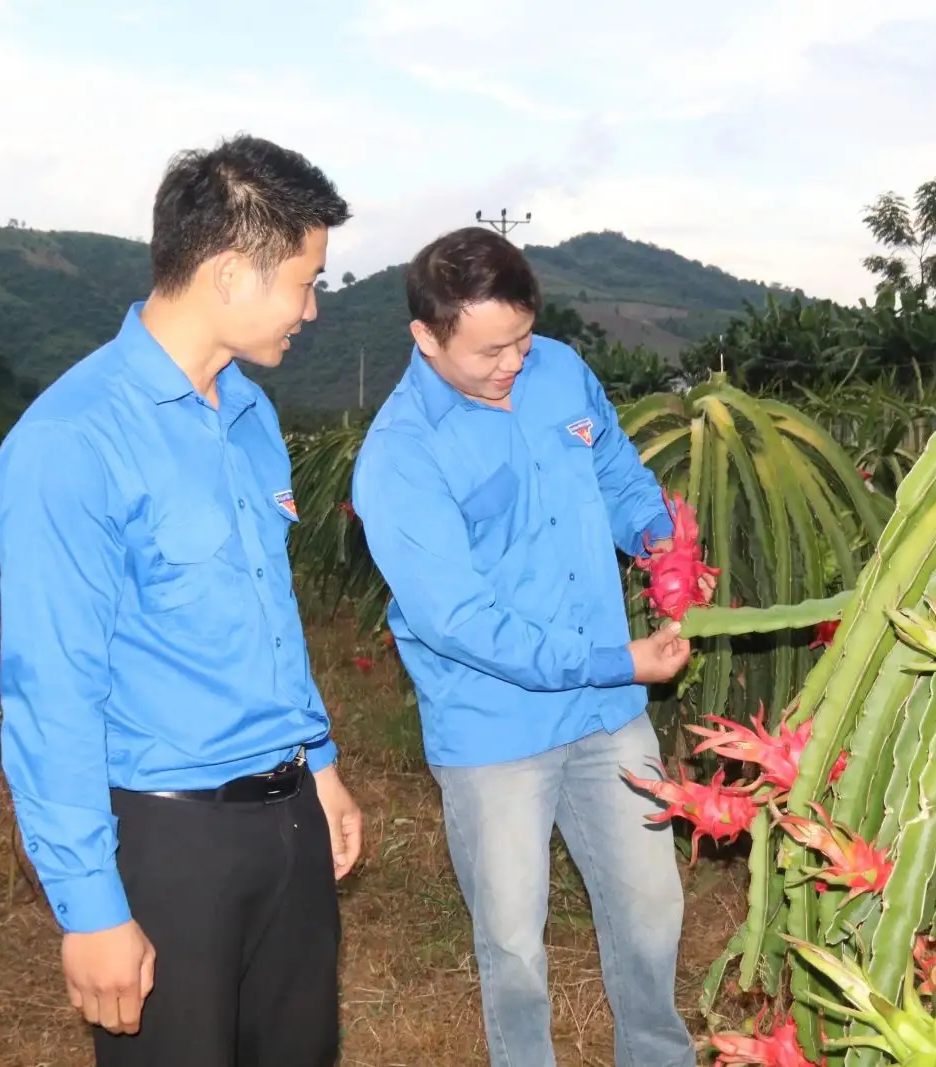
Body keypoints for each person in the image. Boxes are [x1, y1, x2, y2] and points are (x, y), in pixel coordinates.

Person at [0, 133, 363, 1067]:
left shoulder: (249, 414)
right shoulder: (71, 443)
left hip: (287, 818)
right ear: (230, 273)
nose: (312, 309)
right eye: (305, 283)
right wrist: (91, 907)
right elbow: (51, 692)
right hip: (167, 840)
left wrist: (318, 764)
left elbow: (270, 615)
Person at [350, 226, 704, 1067]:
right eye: (490, 350)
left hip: (605, 711)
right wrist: (618, 660)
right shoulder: (399, 457)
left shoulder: (560, 370)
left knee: (653, 908)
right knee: (513, 945)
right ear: (427, 335)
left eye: (523, 337)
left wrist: (660, 541)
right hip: (495, 728)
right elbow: (462, 621)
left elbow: (615, 470)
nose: (514, 361)